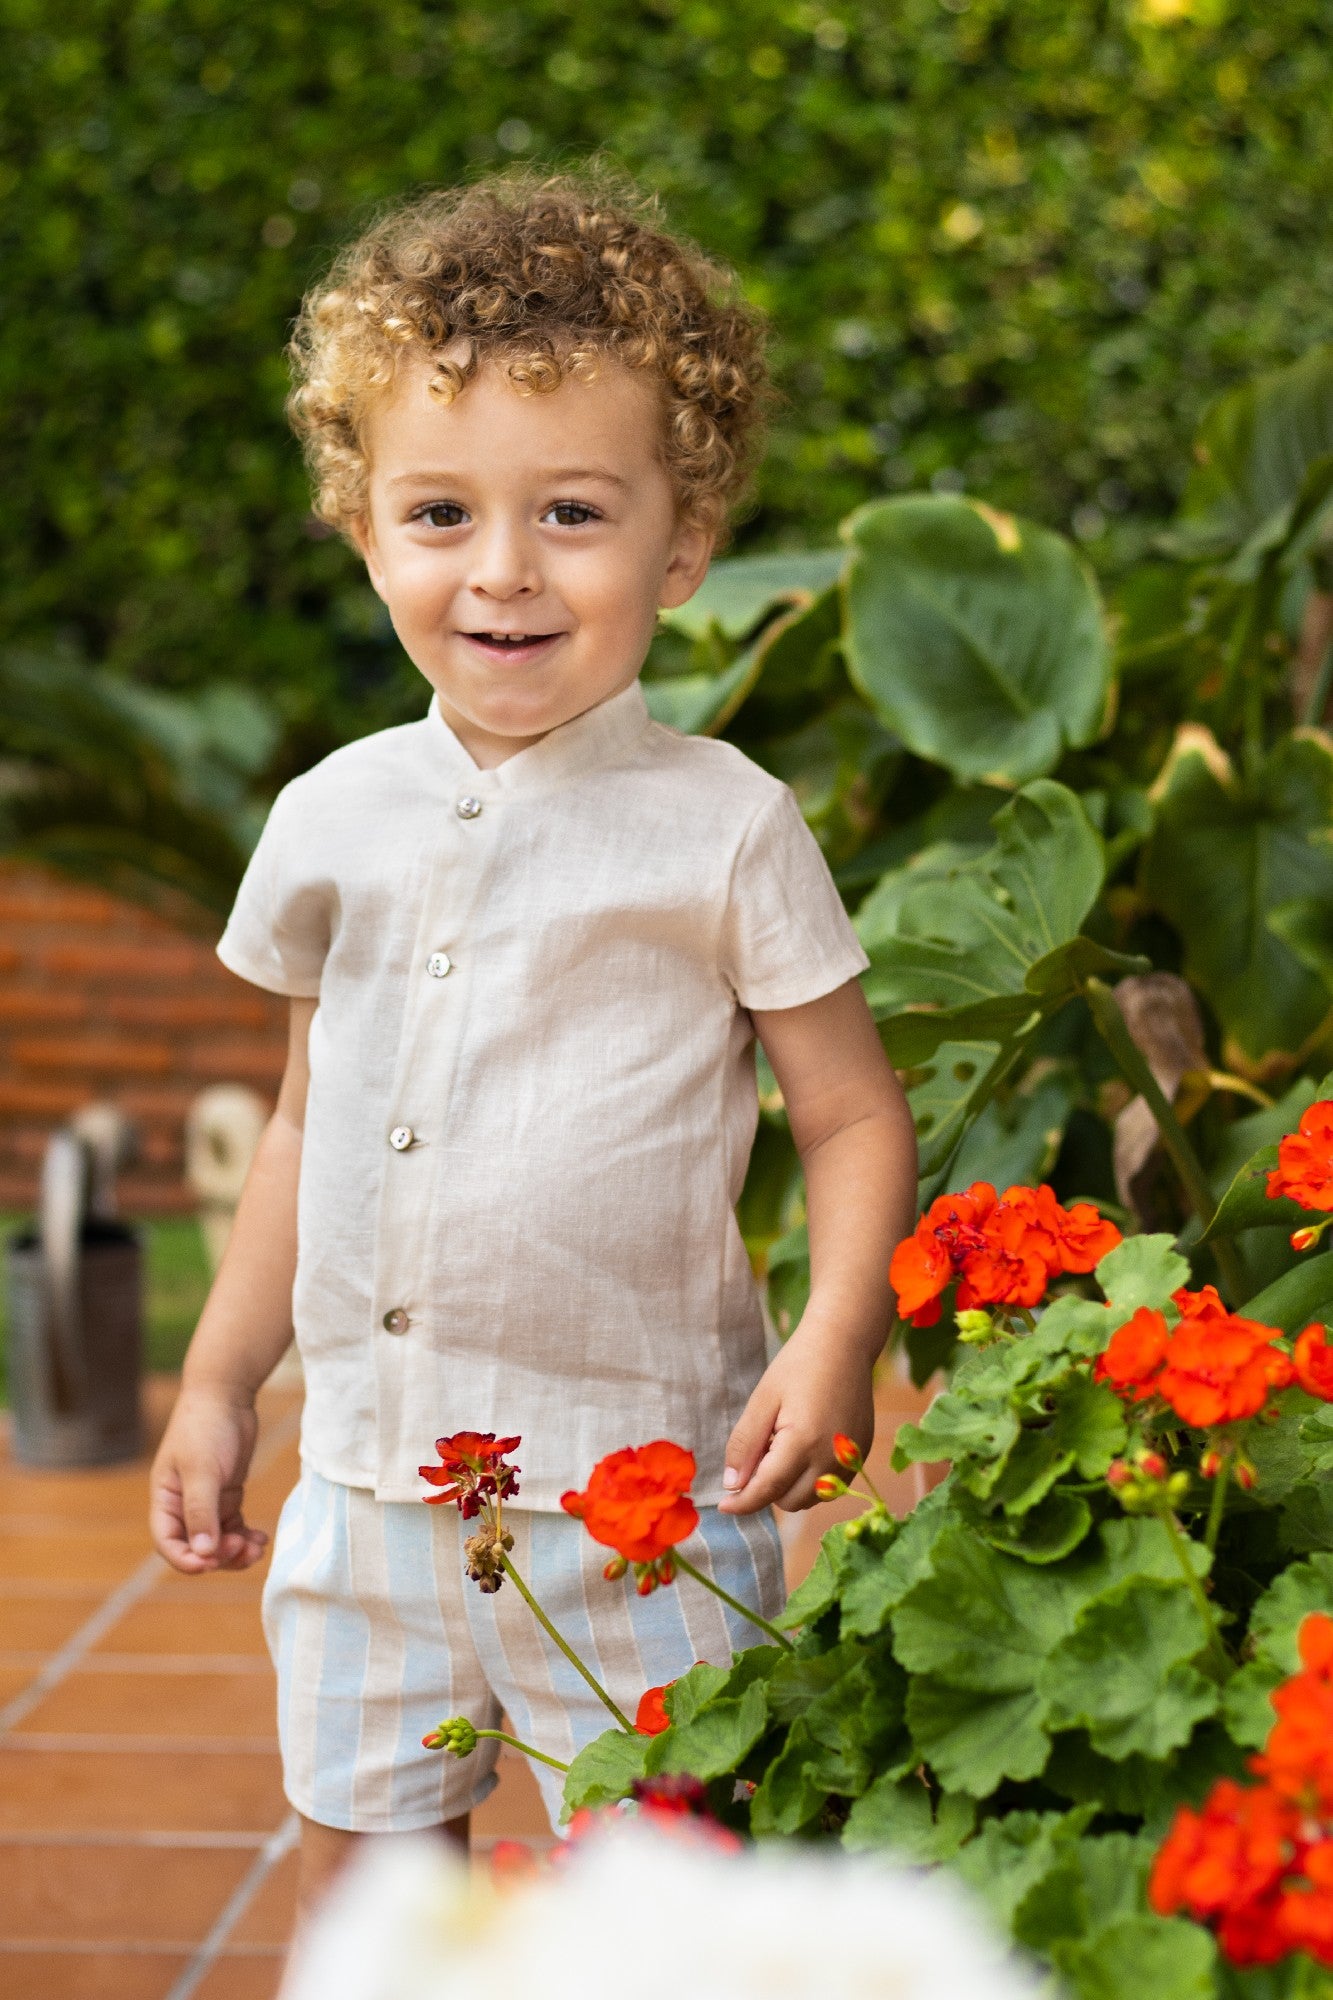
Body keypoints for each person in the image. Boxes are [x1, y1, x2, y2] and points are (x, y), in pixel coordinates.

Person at [149, 171, 917, 1915]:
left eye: (572, 511)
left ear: (683, 542)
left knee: (658, 1902)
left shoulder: (723, 829)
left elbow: (855, 1117)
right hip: (367, 1489)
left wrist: (839, 1328)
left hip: (639, 1492)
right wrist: (213, 1377)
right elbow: (297, 1127)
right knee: (374, 1901)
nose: (500, 572)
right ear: (363, 529)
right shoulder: (330, 818)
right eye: (438, 513)